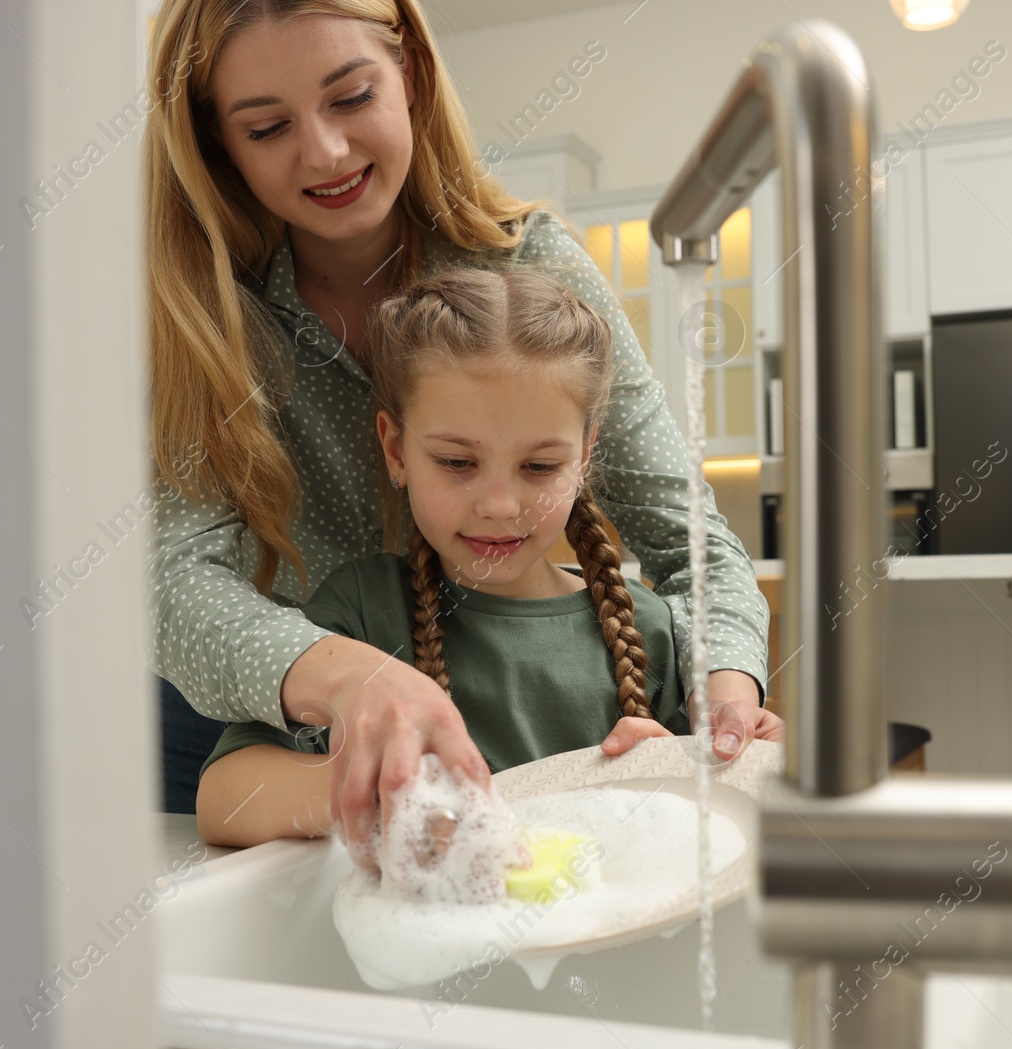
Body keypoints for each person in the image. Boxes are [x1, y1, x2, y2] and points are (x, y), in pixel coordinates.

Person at [144, 0, 776, 862]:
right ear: (218, 142)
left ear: (409, 75)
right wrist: (351, 680)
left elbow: (683, 529)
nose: (324, 151)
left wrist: (725, 692)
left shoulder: (531, 268)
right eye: (266, 127)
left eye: (350, 96)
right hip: (257, 733)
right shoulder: (200, 318)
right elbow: (174, 579)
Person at [193, 268, 782, 857]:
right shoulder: (361, 613)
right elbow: (223, 800)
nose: (500, 507)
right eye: (456, 462)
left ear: (584, 457)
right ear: (396, 450)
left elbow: (708, 842)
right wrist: (378, 790)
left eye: (539, 467)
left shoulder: (649, 627)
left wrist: (709, 769)